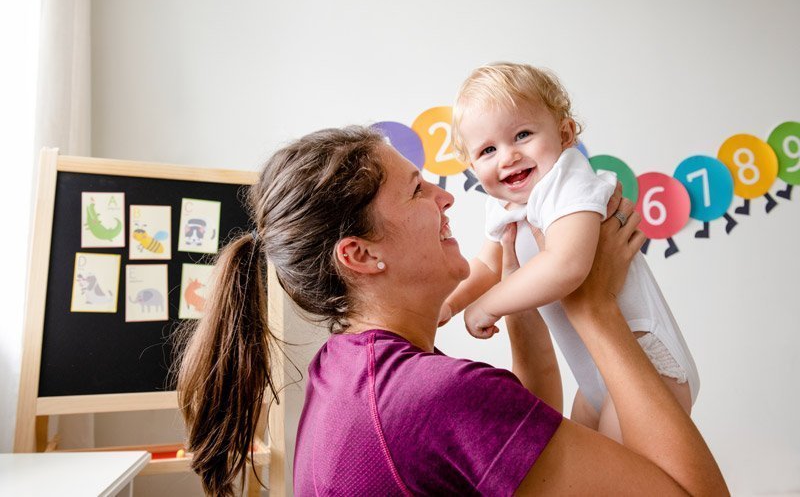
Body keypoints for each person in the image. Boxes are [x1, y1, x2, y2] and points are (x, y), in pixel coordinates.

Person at [177, 126, 727, 496]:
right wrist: (595, 310)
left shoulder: (347, 369)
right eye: (417, 190)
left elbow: (525, 434)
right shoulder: (430, 397)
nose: (447, 199)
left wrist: (524, 295)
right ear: (361, 255)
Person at [443, 62, 699, 441]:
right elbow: (486, 265)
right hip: (594, 375)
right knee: (576, 459)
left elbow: (567, 265)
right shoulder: (503, 206)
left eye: (523, 134)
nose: (508, 156)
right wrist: (448, 306)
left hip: (645, 360)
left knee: (617, 475)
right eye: (488, 150)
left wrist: (488, 305)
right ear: (471, 166)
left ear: (565, 134)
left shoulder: (567, 182)